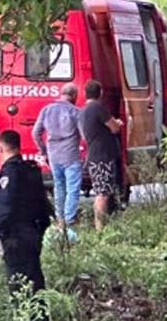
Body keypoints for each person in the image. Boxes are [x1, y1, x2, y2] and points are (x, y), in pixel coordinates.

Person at [0, 130, 53, 321]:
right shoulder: (31, 170)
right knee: (36, 285)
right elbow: (45, 207)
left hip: (16, 239)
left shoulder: (10, 174)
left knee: (19, 288)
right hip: (32, 235)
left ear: (0, 148)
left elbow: (6, 209)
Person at [32, 82, 82, 227]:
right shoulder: (75, 112)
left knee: (59, 186)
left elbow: (36, 133)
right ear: (74, 96)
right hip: (71, 154)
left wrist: (43, 150)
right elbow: (84, 135)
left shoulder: (47, 110)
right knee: (73, 188)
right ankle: (69, 219)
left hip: (53, 154)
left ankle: (60, 219)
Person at [78, 80, 123, 230]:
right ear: (101, 93)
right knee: (102, 193)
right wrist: (119, 123)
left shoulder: (83, 111)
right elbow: (114, 128)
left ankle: (101, 226)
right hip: (102, 156)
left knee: (102, 191)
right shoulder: (98, 108)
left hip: (93, 155)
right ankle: (100, 228)